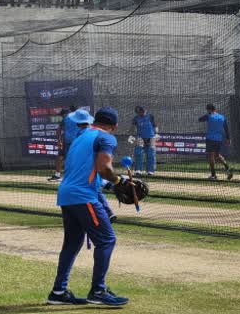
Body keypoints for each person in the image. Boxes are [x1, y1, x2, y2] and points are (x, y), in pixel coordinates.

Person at [48, 107, 129, 307]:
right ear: (114, 126)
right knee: (107, 240)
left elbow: (84, 169)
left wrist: (110, 183)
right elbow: (104, 168)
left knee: (72, 244)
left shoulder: (81, 136)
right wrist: (119, 181)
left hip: (67, 194)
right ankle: (98, 291)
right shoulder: (106, 138)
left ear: (94, 121)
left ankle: (58, 292)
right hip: (83, 197)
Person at [199, 104, 233, 180]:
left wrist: (208, 115)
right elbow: (226, 129)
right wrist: (228, 139)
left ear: (209, 110)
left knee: (211, 157)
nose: (207, 111)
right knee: (217, 155)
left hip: (210, 139)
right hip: (218, 139)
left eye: (207, 110)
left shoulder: (209, 116)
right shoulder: (222, 117)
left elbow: (200, 119)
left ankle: (213, 175)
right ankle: (227, 167)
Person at [48, 106, 78, 182]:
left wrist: (59, 140)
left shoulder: (65, 118)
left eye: (62, 114)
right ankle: (64, 176)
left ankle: (58, 176)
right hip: (75, 141)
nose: (62, 116)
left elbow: (58, 130)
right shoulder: (78, 119)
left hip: (67, 141)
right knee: (68, 158)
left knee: (62, 158)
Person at [130, 106, 158, 176]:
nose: (141, 113)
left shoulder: (150, 116)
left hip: (150, 137)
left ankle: (150, 171)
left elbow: (155, 125)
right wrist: (132, 135)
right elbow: (133, 127)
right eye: (139, 112)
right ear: (137, 112)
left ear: (145, 111)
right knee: (138, 153)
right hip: (140, 138)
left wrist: (156, 134)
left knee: (150, 154)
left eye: (143, 111)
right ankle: (138, 170)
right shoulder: (136, 119)